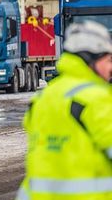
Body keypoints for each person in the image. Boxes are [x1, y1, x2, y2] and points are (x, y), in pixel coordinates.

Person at [17, 21, 112, 200]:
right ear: (90, 58)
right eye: (108, 60)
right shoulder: (96, 98)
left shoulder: (43, 98)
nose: (111, 68)